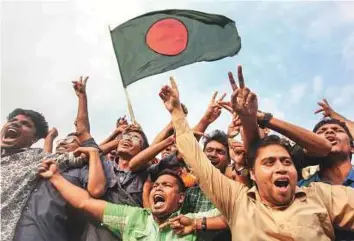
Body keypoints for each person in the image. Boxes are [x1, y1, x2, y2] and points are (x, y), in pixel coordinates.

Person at [159, 66, 354, 240]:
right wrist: (177, 112)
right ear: (252, 172)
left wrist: (256, 118)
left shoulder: (319, 194)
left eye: (286, 162)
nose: (280, 168)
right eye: (269, 163)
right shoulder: (236, 200)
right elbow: (194, 157)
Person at [12, 76, 106, 241]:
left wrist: (82, 97)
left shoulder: (81, 170)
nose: (64, 142)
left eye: (71, 141)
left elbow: (96, 189)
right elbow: (45, 155)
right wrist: (49, 138)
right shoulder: (37, 164)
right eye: (63, 140)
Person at [38, 164, 219, 241]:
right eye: (155, 185)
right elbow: (84, 202)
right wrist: (55, 177)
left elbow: (237, 213)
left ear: (180, 197)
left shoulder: (192, 222)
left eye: (166, 185)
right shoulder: (133, 217)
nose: (158, 188)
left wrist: (197, 224)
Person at [299, 118, 354, 240]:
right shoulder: (301, 189)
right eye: (321, 132)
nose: (329, 132)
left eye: (337, 130)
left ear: (352, 148)